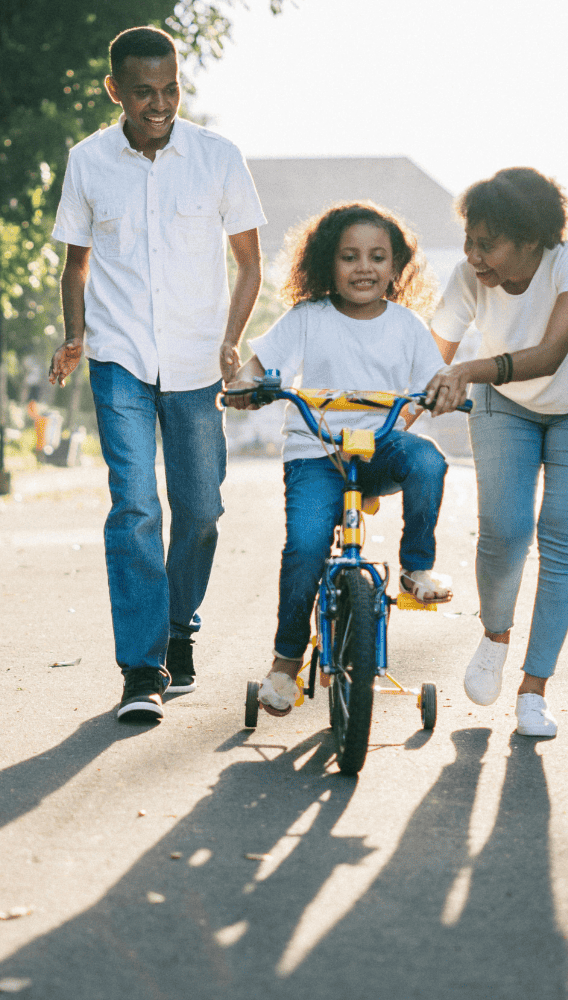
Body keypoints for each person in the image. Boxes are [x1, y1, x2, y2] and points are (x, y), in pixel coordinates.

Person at [47, 25, 265, 722]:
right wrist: (77, 335)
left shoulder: (218, 157)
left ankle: (179, 629)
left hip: (199, 360)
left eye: (170, 89)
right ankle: (142, 669)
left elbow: (250, 262)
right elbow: (76, 262)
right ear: (115, 90)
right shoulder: (87, 161)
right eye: (144, 92)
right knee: (136, 506)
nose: (160, 103)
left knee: (200, 510)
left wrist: (232, 341)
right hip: (119, 359)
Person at [422, 167, 568, 738]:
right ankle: (494, 635)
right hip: (505, 405)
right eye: (469, 240)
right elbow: (427, 360)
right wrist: (394, 417)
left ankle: (534, 689)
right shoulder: (469, 278)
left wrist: (465, 370)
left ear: (532, 240)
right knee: (505, 529)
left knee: (563, 537)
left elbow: (553, 353)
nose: (473, 255)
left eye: (487, 243)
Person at [225, 202, 451, 716]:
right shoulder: (308, 318)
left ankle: (417, 568)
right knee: (305, 546)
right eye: (349, 257)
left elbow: (434, 380)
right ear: (329, 263)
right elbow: (259, 365)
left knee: (429, 462)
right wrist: (245, 384)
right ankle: (285, 664)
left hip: (379, 447)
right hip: (316, 453)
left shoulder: (409, 326)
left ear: (396, 268)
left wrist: (444, 392)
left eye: (377, 257)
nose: (364, 268)